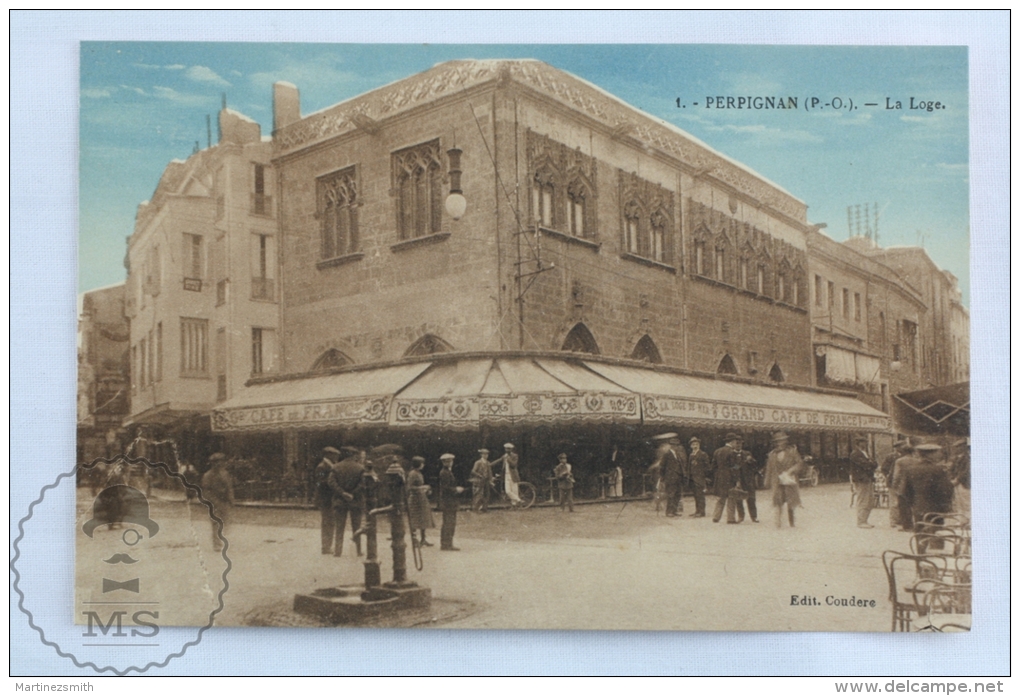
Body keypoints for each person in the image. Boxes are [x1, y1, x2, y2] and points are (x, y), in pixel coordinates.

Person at [902, 443, 955, 538]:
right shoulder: (939, 469)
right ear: (930, 454)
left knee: (920, 528)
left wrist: (913, 502)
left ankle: (920, 550)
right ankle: (936, 550)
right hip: (936, 505)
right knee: (936, 530)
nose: (939, 455)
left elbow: (905, 490)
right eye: (937, 453)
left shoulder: (910, 469)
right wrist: (947, 505)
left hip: (918, 505)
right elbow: (945, 489)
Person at [327, 448, 367, 557]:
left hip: (340, 500)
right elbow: (363, 484)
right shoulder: (360, 468)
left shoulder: (335, 467)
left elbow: (331, 482)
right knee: (357, 527)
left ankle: (337, 551)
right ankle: (358, 550)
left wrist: (343, 493)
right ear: (354, 455)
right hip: (355, 500)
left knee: (339, 527)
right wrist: (352, 494)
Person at [763, 431, 803, 529]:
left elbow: (799, 463)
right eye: (777, 442)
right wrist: (766, 480)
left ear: (785, 442)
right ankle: (778, 522)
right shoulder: (772, 454)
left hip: (789, 480)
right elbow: (769, 468)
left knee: (791, 501)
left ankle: (791, 522)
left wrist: (791, 470)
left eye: (781, 441)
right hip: (777, 481)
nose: (779, 444)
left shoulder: (792, 452)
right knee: (778, 501)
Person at [201, 453, 234, 551]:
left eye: (221, 462)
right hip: (214, 501)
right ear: (212, 463)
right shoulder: (207, 475)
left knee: (224, 521)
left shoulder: (225, 474)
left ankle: (220, 539)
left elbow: (229, 487)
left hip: (224, 501)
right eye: (217, 462)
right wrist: (212, 502)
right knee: (215, 522)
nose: (219, 464)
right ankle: (217, 544)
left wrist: (231, 499)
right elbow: (206, 490)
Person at [711, 433, 743, 524]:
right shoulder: (732, 452)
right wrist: (737, 479)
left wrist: (718, 475)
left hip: (719, 477)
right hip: (729, 478)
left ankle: (716, 517)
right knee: (731, 498)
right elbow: (735, 467)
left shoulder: (717, 451)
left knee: (721, 498)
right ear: (732, 442)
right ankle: (730, 519)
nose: (736, 444)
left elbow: (713, 466)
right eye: (735, 442)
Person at [881, 438, 912, 528]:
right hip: (894, 482)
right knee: (894, 502)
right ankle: (894, 521)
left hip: (904, 482)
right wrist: (888, 476)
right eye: (901, 446)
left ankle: (901, 520)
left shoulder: (906, 456)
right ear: (897, 448)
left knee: (902, 502)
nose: (902, 448)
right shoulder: (891, 456)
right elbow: (884, 468)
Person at [891, 440, 922, 531]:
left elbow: (896, 475)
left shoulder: (900, 461)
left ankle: (907, 526)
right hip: (915, 485)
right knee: (915, 505)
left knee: (904, 507)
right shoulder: (917, 461)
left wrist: (894, 485)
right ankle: (917, 524)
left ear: (903, 452)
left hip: (903, 485)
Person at [653, 433, 685, 518]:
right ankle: (669, 512)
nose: (676, 446)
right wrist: (663, 477)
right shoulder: (667, 454)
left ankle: (674, 511)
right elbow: (662, 466)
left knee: (677, 495)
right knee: (671, 495)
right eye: (674, 445)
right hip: (670, 478)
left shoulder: (677, 454)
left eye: (677, 445)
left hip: (678, 477)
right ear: (671, 446)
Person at [314, 447, 340, 554]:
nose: (336, 457)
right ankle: (325, 547)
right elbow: (320, 483)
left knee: (330, 522)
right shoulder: (321, 467)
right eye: (334, 455)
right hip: (325, 499)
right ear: (328, 455)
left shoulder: (330, 466)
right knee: (327, 523)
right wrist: (333, 482)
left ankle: (328, 546)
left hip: (329, 499)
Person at [849, 434, 878, 529]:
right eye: (863, 442)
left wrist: (870, 463)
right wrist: (870, 463)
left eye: (865, 442)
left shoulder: (865, 453)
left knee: (869, 500)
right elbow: (866, 465)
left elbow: (874, 464)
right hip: (861, 480)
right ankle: (861, 521)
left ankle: (864, 520)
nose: (865, 444)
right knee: (863, 500)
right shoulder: (855, 454)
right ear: (858, 444)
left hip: (867, 479)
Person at [406, 456, 435, 547]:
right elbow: (410, 487)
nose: (423, 465)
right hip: (415, 499)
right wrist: (421, 488)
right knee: (414, 519)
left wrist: (426, 489)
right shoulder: (412, 474)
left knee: (424, 518)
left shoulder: (419, 473)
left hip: (421, 498)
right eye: (422, 463)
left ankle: (423, 539)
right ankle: (414, 540)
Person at [438, 454, 464, 550]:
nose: (450, 463)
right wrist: (456, 489)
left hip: (449, 501)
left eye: (451, 461)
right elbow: (445, 488)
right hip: (448, 502)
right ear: (445, 462)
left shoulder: (447, 472)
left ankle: (447, 543)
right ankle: (446, 544)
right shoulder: (445, 473)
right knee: (449, 523)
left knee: (449, 523)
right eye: (448, 461)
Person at [735, 444, 760, 523]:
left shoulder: (747, 453)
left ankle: (754, 516)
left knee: (751, 499)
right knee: (738, 499)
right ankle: (741, 516)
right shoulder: (731, 454)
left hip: (748, 480)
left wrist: (751, 460)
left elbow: (755, 465)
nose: (738, 445)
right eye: (736, 443)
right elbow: (732, 467)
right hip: (738, 480)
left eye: (740, 443)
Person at [687, 437, 709, 517]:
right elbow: (689, 467)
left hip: (700, 478)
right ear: (691, 446)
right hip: (693, 478)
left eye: (696, 444)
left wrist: (704, 476)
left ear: (699, 445)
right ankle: (697, 511)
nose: (695, 446)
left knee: (700, 495)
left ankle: (702, 512)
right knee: (696, 495)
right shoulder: (691, 455)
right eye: (693, 444)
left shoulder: (703, 454)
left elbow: (707, 466)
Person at [949, 438, 971, 516]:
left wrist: (957, 479)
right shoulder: (956, 457)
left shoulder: (968, 457)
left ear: (964, 447)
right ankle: (962, 520)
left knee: (967, 503)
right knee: (959, 502)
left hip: (964, 483)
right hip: (957, 483)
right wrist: (952, 477)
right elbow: (952, 469)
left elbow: (967, 470)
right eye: (956, 447)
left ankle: (968, 520)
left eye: (958, 447)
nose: (956, 449)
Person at [497, 443, 522, 508]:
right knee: (508, 491)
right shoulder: (504, 456)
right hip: (506, 475)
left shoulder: (515, 456)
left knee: (514, 490)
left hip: (513, 475)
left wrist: (508, 459)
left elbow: (514, 465)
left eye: (508, 449)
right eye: (506, 449)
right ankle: (519, 500)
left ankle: (514, 506)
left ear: (511, 449)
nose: (506, 450)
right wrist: (489, 465)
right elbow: (499, 460)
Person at [470, 448, 494, 513]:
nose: (486, 455)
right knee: (478, 494)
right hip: (479, 480)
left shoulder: (488, 463)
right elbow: (473, 471)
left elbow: (490, 472)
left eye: (487, 454)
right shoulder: (478, 462)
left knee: (487, 494)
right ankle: (476, 509)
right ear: (481, 455)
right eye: (484, 454)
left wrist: (491, 480)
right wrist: (480, 475)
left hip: (486, 481)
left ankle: (484, 508)